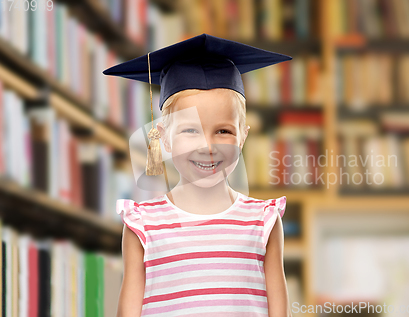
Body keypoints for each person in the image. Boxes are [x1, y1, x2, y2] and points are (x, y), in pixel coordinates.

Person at [104, 33, 292, 317]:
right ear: (164, 138)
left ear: (243, 136)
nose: (207, 146)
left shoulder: (263, 220)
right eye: (190, 130)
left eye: (224, 131)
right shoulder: (142, 225)